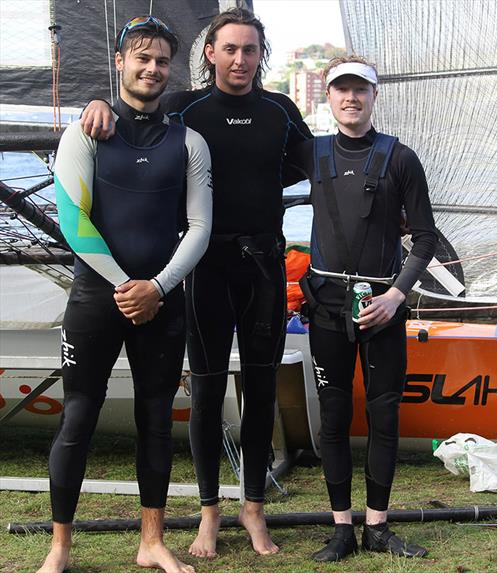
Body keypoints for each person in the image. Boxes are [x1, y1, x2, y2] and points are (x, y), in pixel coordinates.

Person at [81, 7, 312, 558]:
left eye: (250, 50)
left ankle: (252, 509)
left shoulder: (281, 110)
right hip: (205, 267)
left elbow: (315, 165)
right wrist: (95, 102)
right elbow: (132, 113)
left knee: (260, 389)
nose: (239, 59)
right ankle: (209, 514)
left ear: (261, 56)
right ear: (209, 54)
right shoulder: (186, 109)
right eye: (229, 49)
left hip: (262, 266)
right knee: (206, 391)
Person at [38, 16, 212, 573]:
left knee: (156, 418)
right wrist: (125, 286)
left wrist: (157, 287)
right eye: (141, 57)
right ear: (120, 63)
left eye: (162, 60)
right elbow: (72, 218)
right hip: (98, 297)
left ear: (172, 68)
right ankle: (60, 547)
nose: (152, 68)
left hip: (160, 300)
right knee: (78, 417)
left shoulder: (190, 141)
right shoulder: (87, 131)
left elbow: (200, 227)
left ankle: (152, 541)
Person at [287, 55, 438, 562]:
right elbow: (248, 154)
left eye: (361, 90)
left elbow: (424, 239)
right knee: (333, 416)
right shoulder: (310, 153)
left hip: (383, 308)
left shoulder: (400, 158)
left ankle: (377, 526)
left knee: (383, 414)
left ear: (375, 96)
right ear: (328, 98)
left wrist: (396, 297)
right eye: (341, 90)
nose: (351, 98)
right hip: (328, 306)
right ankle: (341, 529)